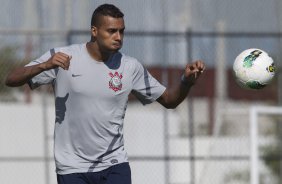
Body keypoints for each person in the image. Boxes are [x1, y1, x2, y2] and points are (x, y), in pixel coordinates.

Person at [5, 3, 205, 184]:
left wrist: (186, 81)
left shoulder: (130, 67)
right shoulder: (63, 56)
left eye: (121, 31)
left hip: (114, 165)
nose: (118, 37)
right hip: (72, 167)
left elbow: (169, 100)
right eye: (111, 31)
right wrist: (44, 65)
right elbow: (11, 79)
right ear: (94, 31)